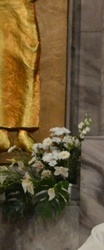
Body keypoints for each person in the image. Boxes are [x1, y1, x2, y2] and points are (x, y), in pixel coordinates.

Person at [0, 0, 40, 151]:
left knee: (29, 61)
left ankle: (23, 130)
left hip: (23, 7)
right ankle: (2, 132)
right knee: (2, 63)